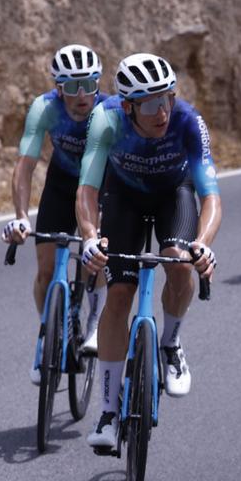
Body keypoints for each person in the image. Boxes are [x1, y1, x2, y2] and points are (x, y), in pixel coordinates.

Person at [76, 53, 222, 453]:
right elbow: (87, 188)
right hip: (123, 197)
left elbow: (210, 196)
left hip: (173, 194)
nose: (163, 111)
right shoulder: (106, 120)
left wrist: (203, 246)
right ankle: (107, 411)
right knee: (118, 294)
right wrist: (89, 236)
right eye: (151, 103)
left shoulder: (189, 122)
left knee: (178, 261)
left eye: (168, 98)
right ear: (128, 107)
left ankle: (170, 344)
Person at [4, 44, 113, 372]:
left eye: (89, 84)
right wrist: (22, 216)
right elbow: (25, 165)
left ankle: (94, 321)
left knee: (94, 256)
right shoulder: (45, 108)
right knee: (47, 269)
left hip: (104, 186)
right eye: (71, 86)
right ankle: (46, 333)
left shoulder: (111, 111)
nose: (82, 95)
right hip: (62, 184)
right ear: (57, 88)